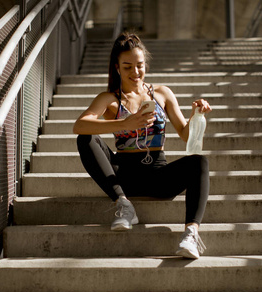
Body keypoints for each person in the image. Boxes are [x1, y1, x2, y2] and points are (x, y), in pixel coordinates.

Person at [73, 32, 212, 259]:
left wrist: (196, 115)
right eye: (127, 67)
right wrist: (125, 122)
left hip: (159, 176)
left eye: (139, 66)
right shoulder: (110, 99)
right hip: (124, 177)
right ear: (117, 68)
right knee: (86, 138)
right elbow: (79, 125)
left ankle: (191, 234)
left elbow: (187, 137)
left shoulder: (162, 93)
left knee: (200, 162)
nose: (135, 72)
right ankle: (123, 204)